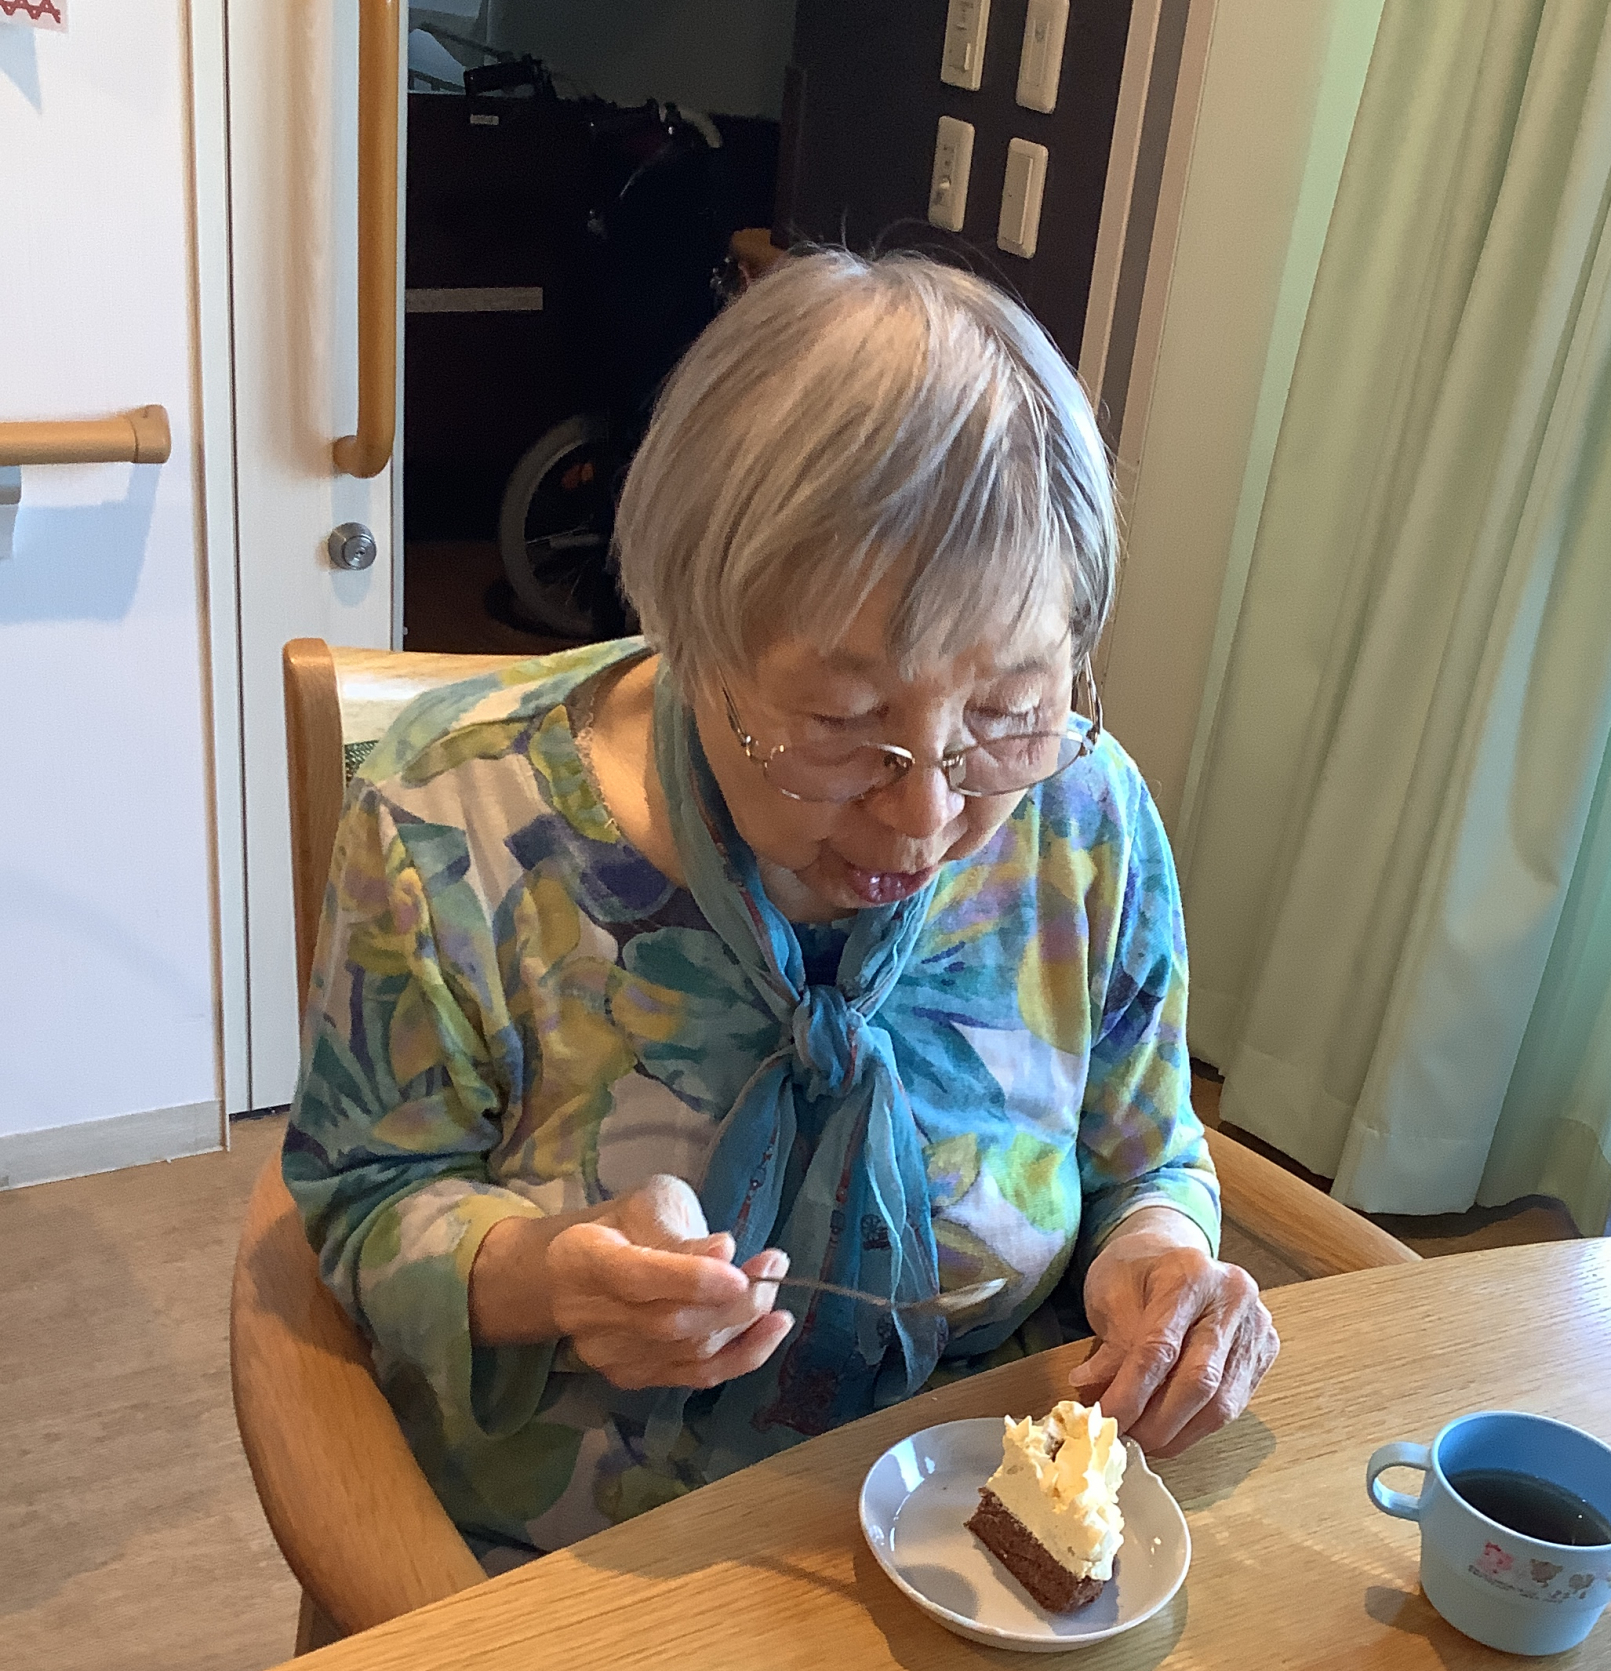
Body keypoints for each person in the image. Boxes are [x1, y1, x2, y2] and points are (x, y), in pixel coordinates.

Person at [286, 249, 1277, 1566]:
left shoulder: (1083, 817)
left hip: (985, 1538)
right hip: (588, 1576)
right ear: (692, 641)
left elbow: (1144, 1153)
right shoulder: (454, 822)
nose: (925, 815)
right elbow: (361, 1199)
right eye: (843, 723)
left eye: (1008, 712)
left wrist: (1160, 1258)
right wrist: (548, 1275)